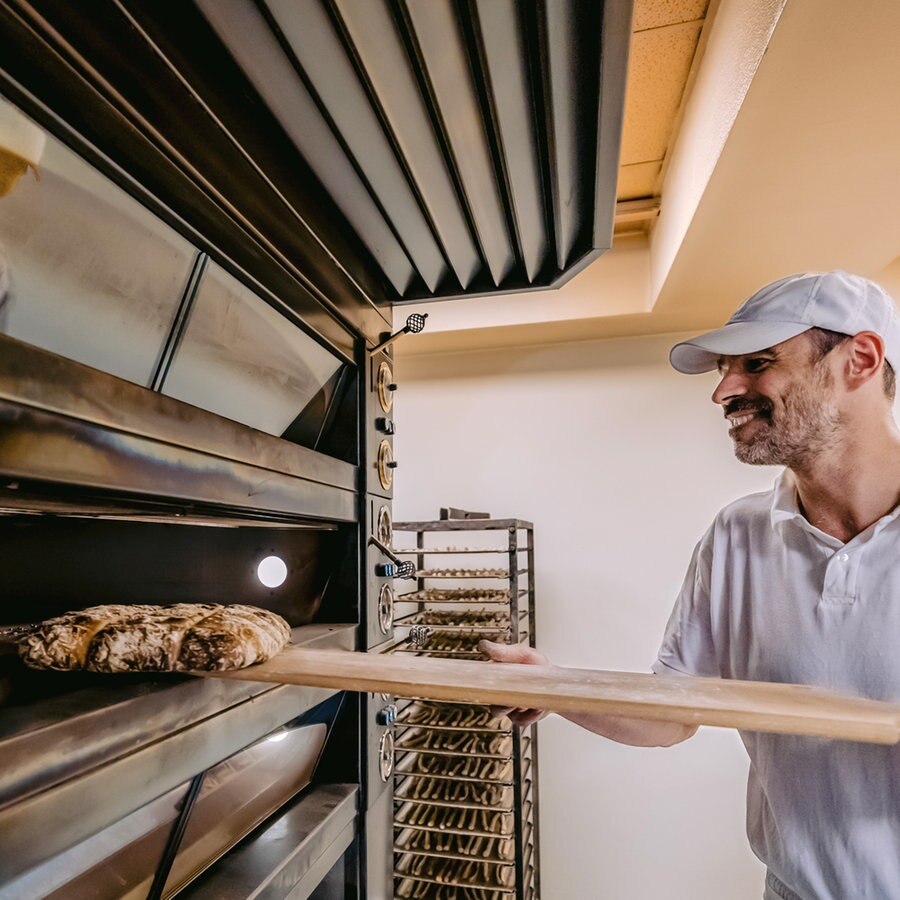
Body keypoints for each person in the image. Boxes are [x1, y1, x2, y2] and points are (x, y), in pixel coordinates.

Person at [480, 270, 900, 900]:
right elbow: (675, 712)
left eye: (757, 364)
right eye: (725, 371)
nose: (724, 392)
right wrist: (552, 684)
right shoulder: (740, 536)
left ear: (859, 361)